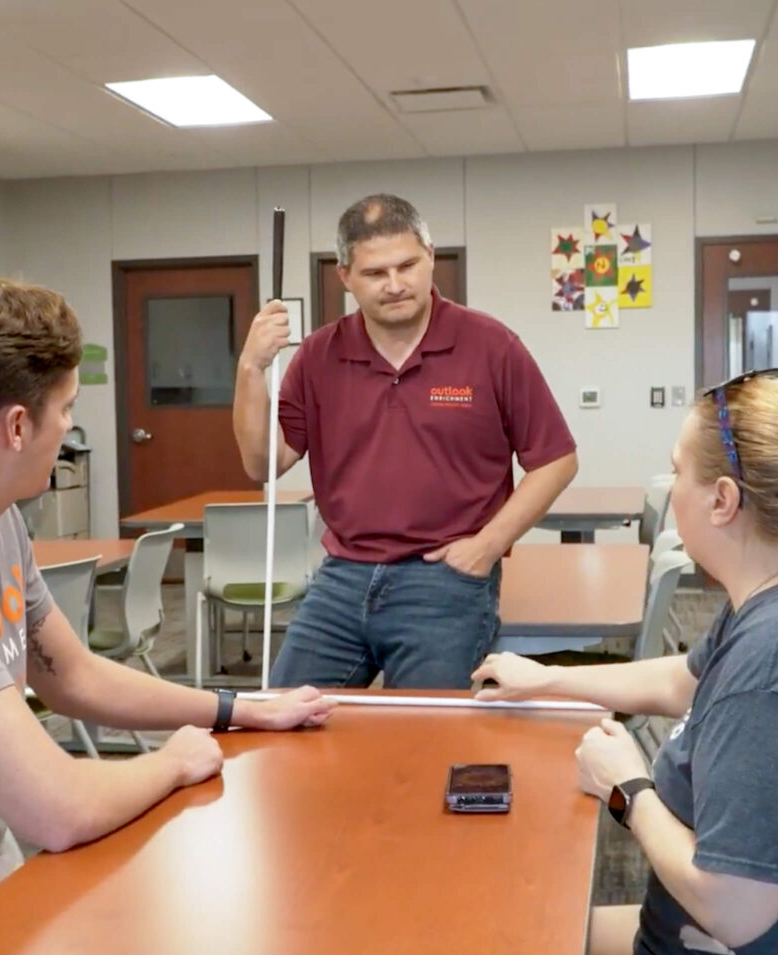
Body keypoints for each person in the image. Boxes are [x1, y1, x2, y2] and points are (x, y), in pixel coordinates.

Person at [0, 279, 334, 955]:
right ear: (17, 428)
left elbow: (70, 675)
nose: (70, 424)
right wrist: (174, 762)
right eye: (67, 409)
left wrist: (232, 708)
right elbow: (58, 808)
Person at [473, 368, 778, 955]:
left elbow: (735, 908)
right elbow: (682, 679)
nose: (671, 489)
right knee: (496, 944)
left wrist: (628, 789)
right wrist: (547, 678)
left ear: (721, 499)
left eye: (676, 471)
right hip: (724, 945)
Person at [233, 194, 577, 689]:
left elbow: (556, 460)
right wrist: (251, 369)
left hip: (444, 580)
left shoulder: (491, 346)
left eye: (408, 266)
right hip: (342, 575)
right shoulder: (316, 357)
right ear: (346, 277)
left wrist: (488, 545)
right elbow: (263, 463)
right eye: (375, 273)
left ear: (430, 256)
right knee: (281, 721)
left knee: (425, 736)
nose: (395, 285)